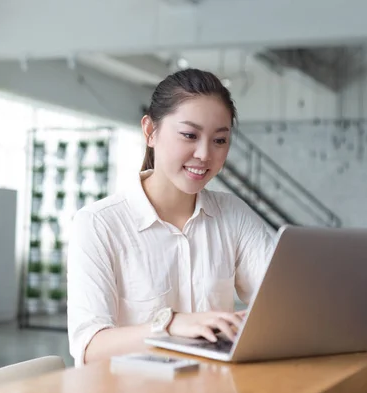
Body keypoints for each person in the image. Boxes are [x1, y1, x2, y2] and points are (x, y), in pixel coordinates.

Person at [67, 68, 275, 366]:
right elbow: (89, 347)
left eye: (219, 140)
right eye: (189, 135)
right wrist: (168, 325)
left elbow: (281, 306)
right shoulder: (98, 224)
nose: (205, 154)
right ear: (150, 132)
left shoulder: (234, 215)